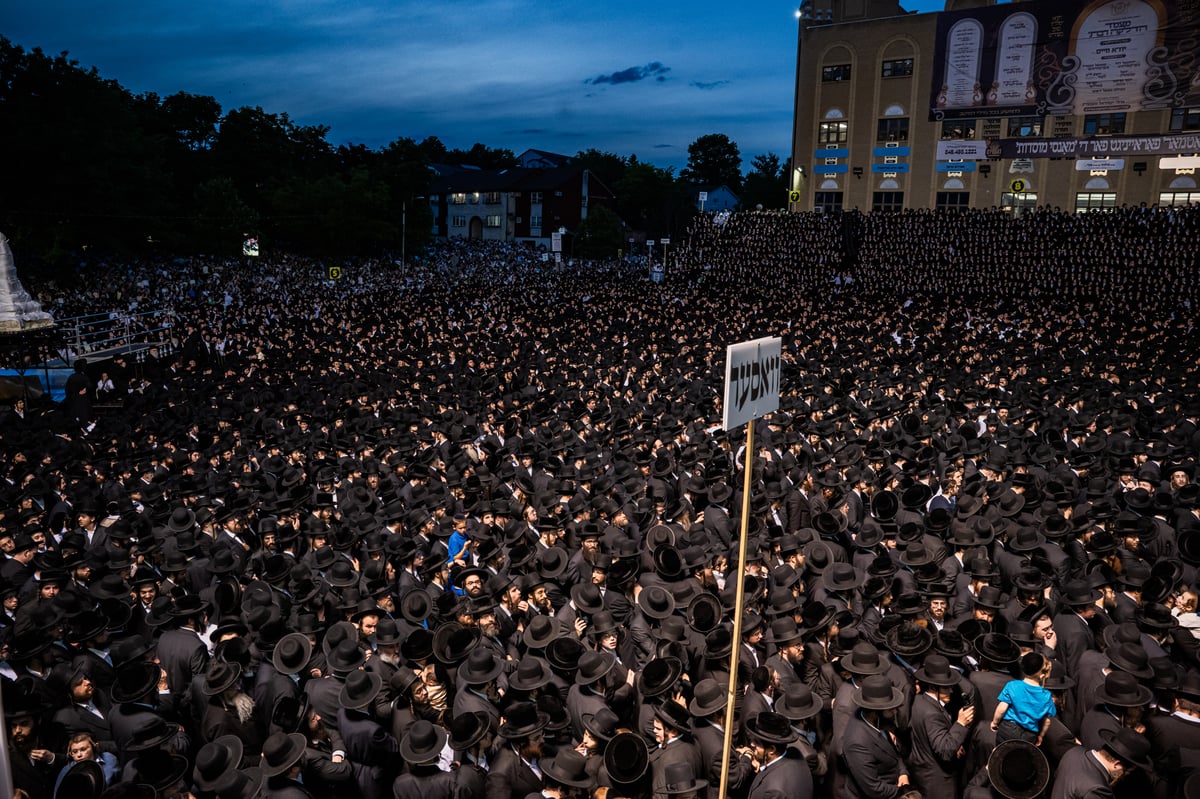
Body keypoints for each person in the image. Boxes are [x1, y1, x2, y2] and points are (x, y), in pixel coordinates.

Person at [991, 653, 1055, 745]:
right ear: (1041, 671)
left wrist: (995, 722)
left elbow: (1001, 709)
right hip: (1029, 735)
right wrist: (1040, 736)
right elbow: (1047, 721)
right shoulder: (1047, 696)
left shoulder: (1012, 685)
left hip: (1008, 729)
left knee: (1001, 753)